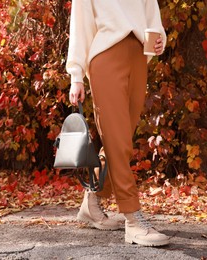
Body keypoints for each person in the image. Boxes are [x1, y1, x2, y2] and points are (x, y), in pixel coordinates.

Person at [66, 0, 169, 247]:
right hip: (105, 58)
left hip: (139, 58)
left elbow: (151, 15)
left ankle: (91, 203)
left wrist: (159, 40)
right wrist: (76, 75)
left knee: (120, 140)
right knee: (118, 140)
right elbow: (80, 25)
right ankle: (133, 219)